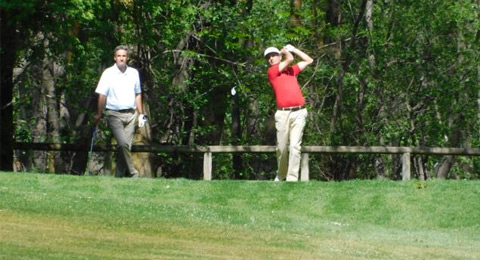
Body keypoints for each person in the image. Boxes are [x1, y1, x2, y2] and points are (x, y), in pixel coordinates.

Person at [93, 45, 147, 178]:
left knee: (125, 146)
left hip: (131, 114)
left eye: (124, 56)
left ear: (127, 58)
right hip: (114, 114)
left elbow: (138, 94)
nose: (121, 58)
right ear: (114, 57)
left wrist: (140, 113)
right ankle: (133, 172)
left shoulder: (133, 73)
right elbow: (102, 95)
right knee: (123, 143)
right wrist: (99, 113)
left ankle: (119, 174)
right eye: (119, 56)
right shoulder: (108, 73)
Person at [264, 44, 314, 181]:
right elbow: (290, 58)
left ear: (279, 57)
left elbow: (309, 61)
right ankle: (280, 176)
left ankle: (292, 178)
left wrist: (294, 49)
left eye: (273, 55)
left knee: (294, 146)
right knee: (281, 148)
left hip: (299, 112)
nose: (271, 59)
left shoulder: (291, 71)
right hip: (282, 114)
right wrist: (287, 52)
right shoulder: (272, 72)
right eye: (268, 57)